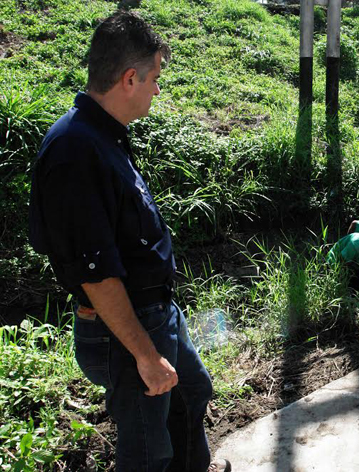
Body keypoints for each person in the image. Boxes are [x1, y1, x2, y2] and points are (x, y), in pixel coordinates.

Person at [28, 12, 229, 472]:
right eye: (156, 78)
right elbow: (94, 272)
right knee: (145, 450)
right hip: (123, 331)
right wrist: (145, 355)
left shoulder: (104, 137)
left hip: (156, 315)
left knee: (192, 393)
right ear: (130, 77)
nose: (159, 89)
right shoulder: (74, 151)